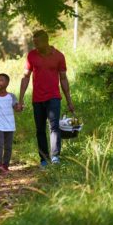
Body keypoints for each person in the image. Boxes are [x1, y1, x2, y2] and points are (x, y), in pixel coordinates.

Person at [19, 30, 75, 167]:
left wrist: (69, 101)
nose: (35, 45)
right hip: (37, 98)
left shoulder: (59, 56)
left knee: (54, 127)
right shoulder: (31, 55)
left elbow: (63, 79)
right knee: (40, 130)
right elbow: (26, 77)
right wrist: (20, 99)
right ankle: (44, 159)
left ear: (45, 41)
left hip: (54, 97)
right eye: (34, 42)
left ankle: (55, 157)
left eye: (37, 43)